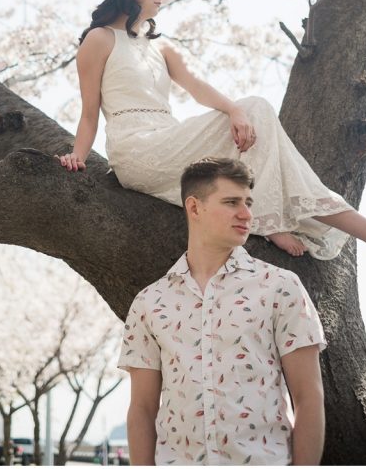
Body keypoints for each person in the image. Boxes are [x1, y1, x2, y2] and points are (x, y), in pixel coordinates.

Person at [57, 0, 366, 265]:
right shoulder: (99, 39)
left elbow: (198, 88)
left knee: (268, 140)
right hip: (136, 149)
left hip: (169, 137)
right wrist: (78, 155)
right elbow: (90, 113)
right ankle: (269, 221)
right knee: (256, 109)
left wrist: (234, 112)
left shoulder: (161, 48)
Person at [120, 157, 325, 465]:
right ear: (194, 208)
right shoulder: (149, 302)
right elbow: (142, 409)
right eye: (231, 202)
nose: (246, 214)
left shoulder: (281, 287)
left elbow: (309, 399)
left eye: (248, 203)